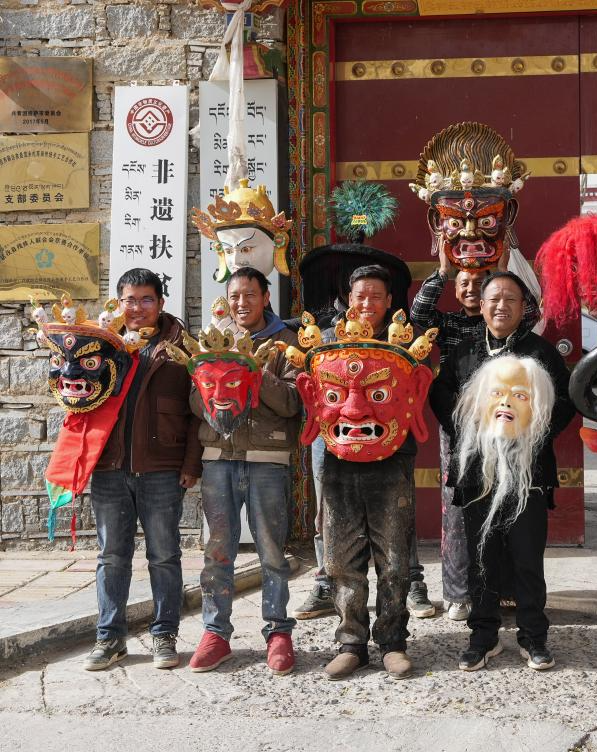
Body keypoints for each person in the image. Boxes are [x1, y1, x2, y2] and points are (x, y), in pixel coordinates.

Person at [430, 272, 575, 672]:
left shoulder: (542, 353)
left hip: (529, 473)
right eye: (493, 298)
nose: (501, 306)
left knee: (528, 558)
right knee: (482, 557)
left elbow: (565, 401)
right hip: (478, 473)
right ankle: (483, 636)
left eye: (510, 299)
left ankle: (533, 636)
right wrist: (469, 430)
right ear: (481, 305)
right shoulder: (465, 352)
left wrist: (534, 431)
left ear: (523, 307)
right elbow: (440, 395)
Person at [409, 252, 540, 621]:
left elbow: (531, 310)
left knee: (506, 502)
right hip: (460, 425)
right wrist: (441, 272)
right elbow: (419, 314)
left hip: (506, 423)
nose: (469, 288)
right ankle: (457, 594)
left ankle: (506, 589)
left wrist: (502, 272)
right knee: (457, 509)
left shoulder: (505, 322)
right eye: (463, 283)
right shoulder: (448, 324)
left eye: (478, 282)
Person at [83, 269, 202, 671]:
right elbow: (78, 400)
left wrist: (191, 464)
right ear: (118, 303)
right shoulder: (101, 344)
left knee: (164, 555)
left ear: (161, 303)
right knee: (111, 556)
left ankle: (164, 633)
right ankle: (109, 637)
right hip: (110, 467)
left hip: (162, 468)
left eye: (146, 299)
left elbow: (196, 411)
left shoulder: (181, 347)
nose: (137, 308)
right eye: (129, 300)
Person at [188, 268, 301, 676]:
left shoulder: (286, 343)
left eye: (250, 294)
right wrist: (217, 390)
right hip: (218, 457)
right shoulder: (213, 340)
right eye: (235, 295)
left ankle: (278, 632)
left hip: (268, 458)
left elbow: (292, 403)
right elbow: (194, 401)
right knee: (218, 551)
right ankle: (215, 633)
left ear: (266, 297)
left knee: (272, 551)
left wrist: (255, 374)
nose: (241, 303)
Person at [321, 265, 424, 680]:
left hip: (392, 461)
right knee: (341, 558)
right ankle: (351, 643)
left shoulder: (406, 344)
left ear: (390, 302)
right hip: (340, 463)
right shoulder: (328, 343)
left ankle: (393, 641)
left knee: (394, 558)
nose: (367, 303)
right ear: (349, 299)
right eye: (360, 295)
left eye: (376, 296)